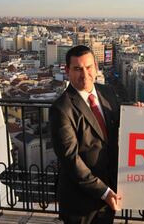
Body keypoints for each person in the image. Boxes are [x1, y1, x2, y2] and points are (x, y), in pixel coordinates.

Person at [50, 45, 121, 224]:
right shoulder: (61, 108)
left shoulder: (107, 93)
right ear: (67, 71)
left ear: (96, 67)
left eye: (88, 67)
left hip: (109, 192)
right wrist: (103, 191)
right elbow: (70, 158)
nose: (84, 74)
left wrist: (139, 116)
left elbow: (119, 128)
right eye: (77, 69)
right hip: (79, 200)